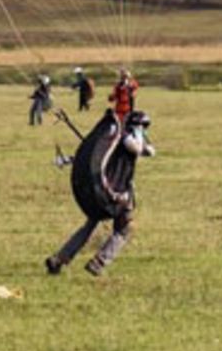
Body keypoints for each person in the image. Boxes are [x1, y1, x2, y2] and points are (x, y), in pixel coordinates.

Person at [44, 106, 153, 277]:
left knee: (88, 226)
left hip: (102, 192)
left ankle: (59, 259)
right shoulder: (127, 140)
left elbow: (147, 151)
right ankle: (99, 262)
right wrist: (138, 132)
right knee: (124, 230)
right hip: (115, 195)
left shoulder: (112, 138)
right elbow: (137, 148)